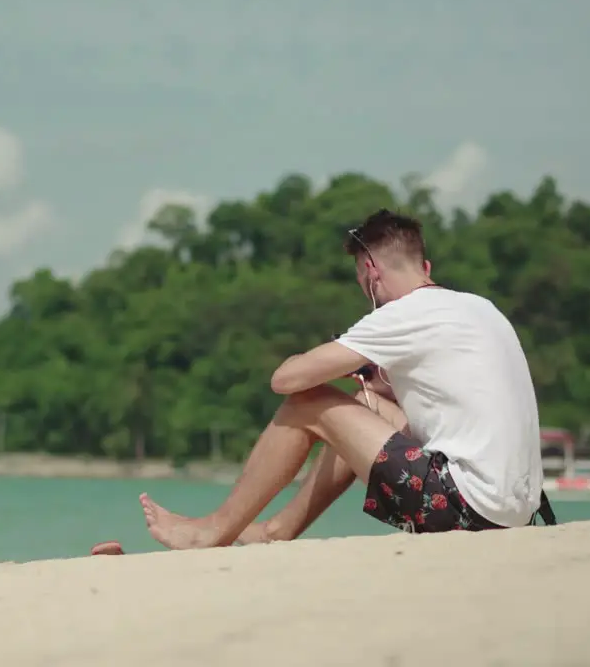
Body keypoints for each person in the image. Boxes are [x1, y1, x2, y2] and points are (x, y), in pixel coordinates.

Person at [138, 208, 548, 549]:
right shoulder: (479, 308)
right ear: (425, 267)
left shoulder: (403, 313)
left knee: (309, 403)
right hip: (516, 514)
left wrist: (338, 361)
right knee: (363, 407)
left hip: (464, 509)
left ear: (370, 271)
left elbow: (287, 380)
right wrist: (373, 381)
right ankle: (274, 532)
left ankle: (211, 533)